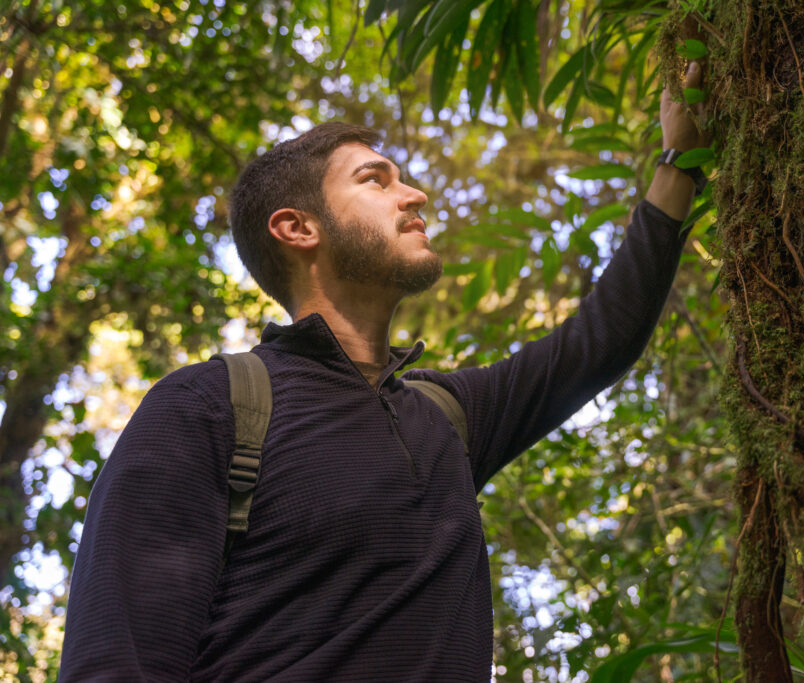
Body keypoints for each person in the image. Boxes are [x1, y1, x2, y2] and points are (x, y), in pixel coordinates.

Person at [59, 62, 708, 681]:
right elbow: (117, 662)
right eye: (376, 179)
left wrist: (680, 158)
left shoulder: (447, 417)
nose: (414, 193)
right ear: (297, 226)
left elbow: (600, 342)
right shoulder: (207, 407)